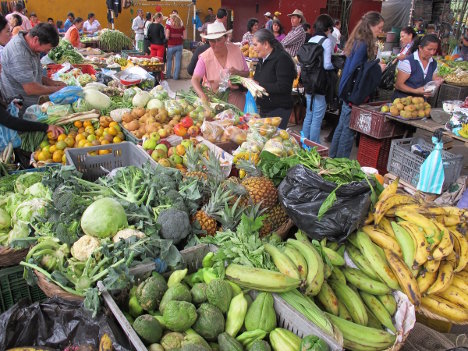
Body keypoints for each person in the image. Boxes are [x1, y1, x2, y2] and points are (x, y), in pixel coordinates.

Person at [329, 11, 385, 158]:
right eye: (379, 27)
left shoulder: (358, 40)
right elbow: (357, 72)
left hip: (346, 91)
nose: (380, 31)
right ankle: (340, 163)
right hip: (351, 94)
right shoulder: (363, 44)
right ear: (371, 26)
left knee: (342, 128)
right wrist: (378, 68)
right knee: (347, 132)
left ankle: (332, 158)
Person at [0, 23, 66, 112]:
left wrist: (51, 82)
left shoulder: (30, 44)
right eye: (47, 49)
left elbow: (33, 73)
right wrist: (57, 89)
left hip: (30, 103)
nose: (47, 53)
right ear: (36, 40)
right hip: (19, 107)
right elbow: (30, 88)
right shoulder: (19, 53)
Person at [191, 22, 249, 110]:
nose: (216, 44)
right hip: (215, 104)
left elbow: (247, 73)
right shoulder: (204, 57)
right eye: (212, 41)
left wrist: (238, 72)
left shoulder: (236, 51)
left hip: (237, 103)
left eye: (219, 40)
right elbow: (195, 79)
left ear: (225, 38)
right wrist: (202, 95)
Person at [252, 29, 297, 129]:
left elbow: (283, 87)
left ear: (266, 44)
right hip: (265, 107)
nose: (253, 48)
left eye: (255, 45)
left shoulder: (282, 59)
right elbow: (257, 80)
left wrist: (259, 85)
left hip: (278, 109)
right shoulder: (262, 59)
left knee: (273, 141)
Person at [301, 14, 335, 143]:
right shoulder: (326, 41)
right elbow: (326, 65)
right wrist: (335, 65)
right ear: (328, 28)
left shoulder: (311, 39)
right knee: (317, 117)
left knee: (309, 114)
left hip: (308, 83)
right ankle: (314, 145)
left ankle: (304, 142)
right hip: (320, 84)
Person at [393, 34, 442, 99]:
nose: (432, 53)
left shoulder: (433, 63)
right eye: (429, 49)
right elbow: (398, 85)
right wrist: (415, 91)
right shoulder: (408, 62)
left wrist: (436, 83)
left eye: (434, 50)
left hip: (420, 103)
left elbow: (432, 82)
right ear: (420, 48)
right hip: (403, 101)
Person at [165, 14, 185, 80]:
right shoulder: (182, 27)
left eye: (170, 19)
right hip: (179, 46)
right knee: (178, 61)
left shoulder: (169, 27)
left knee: (169, 61)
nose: (169, 20)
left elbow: (167, 36)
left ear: (173, 19)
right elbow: (185, 37)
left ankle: (168, 75)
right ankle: (175, 77)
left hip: (171, 46)